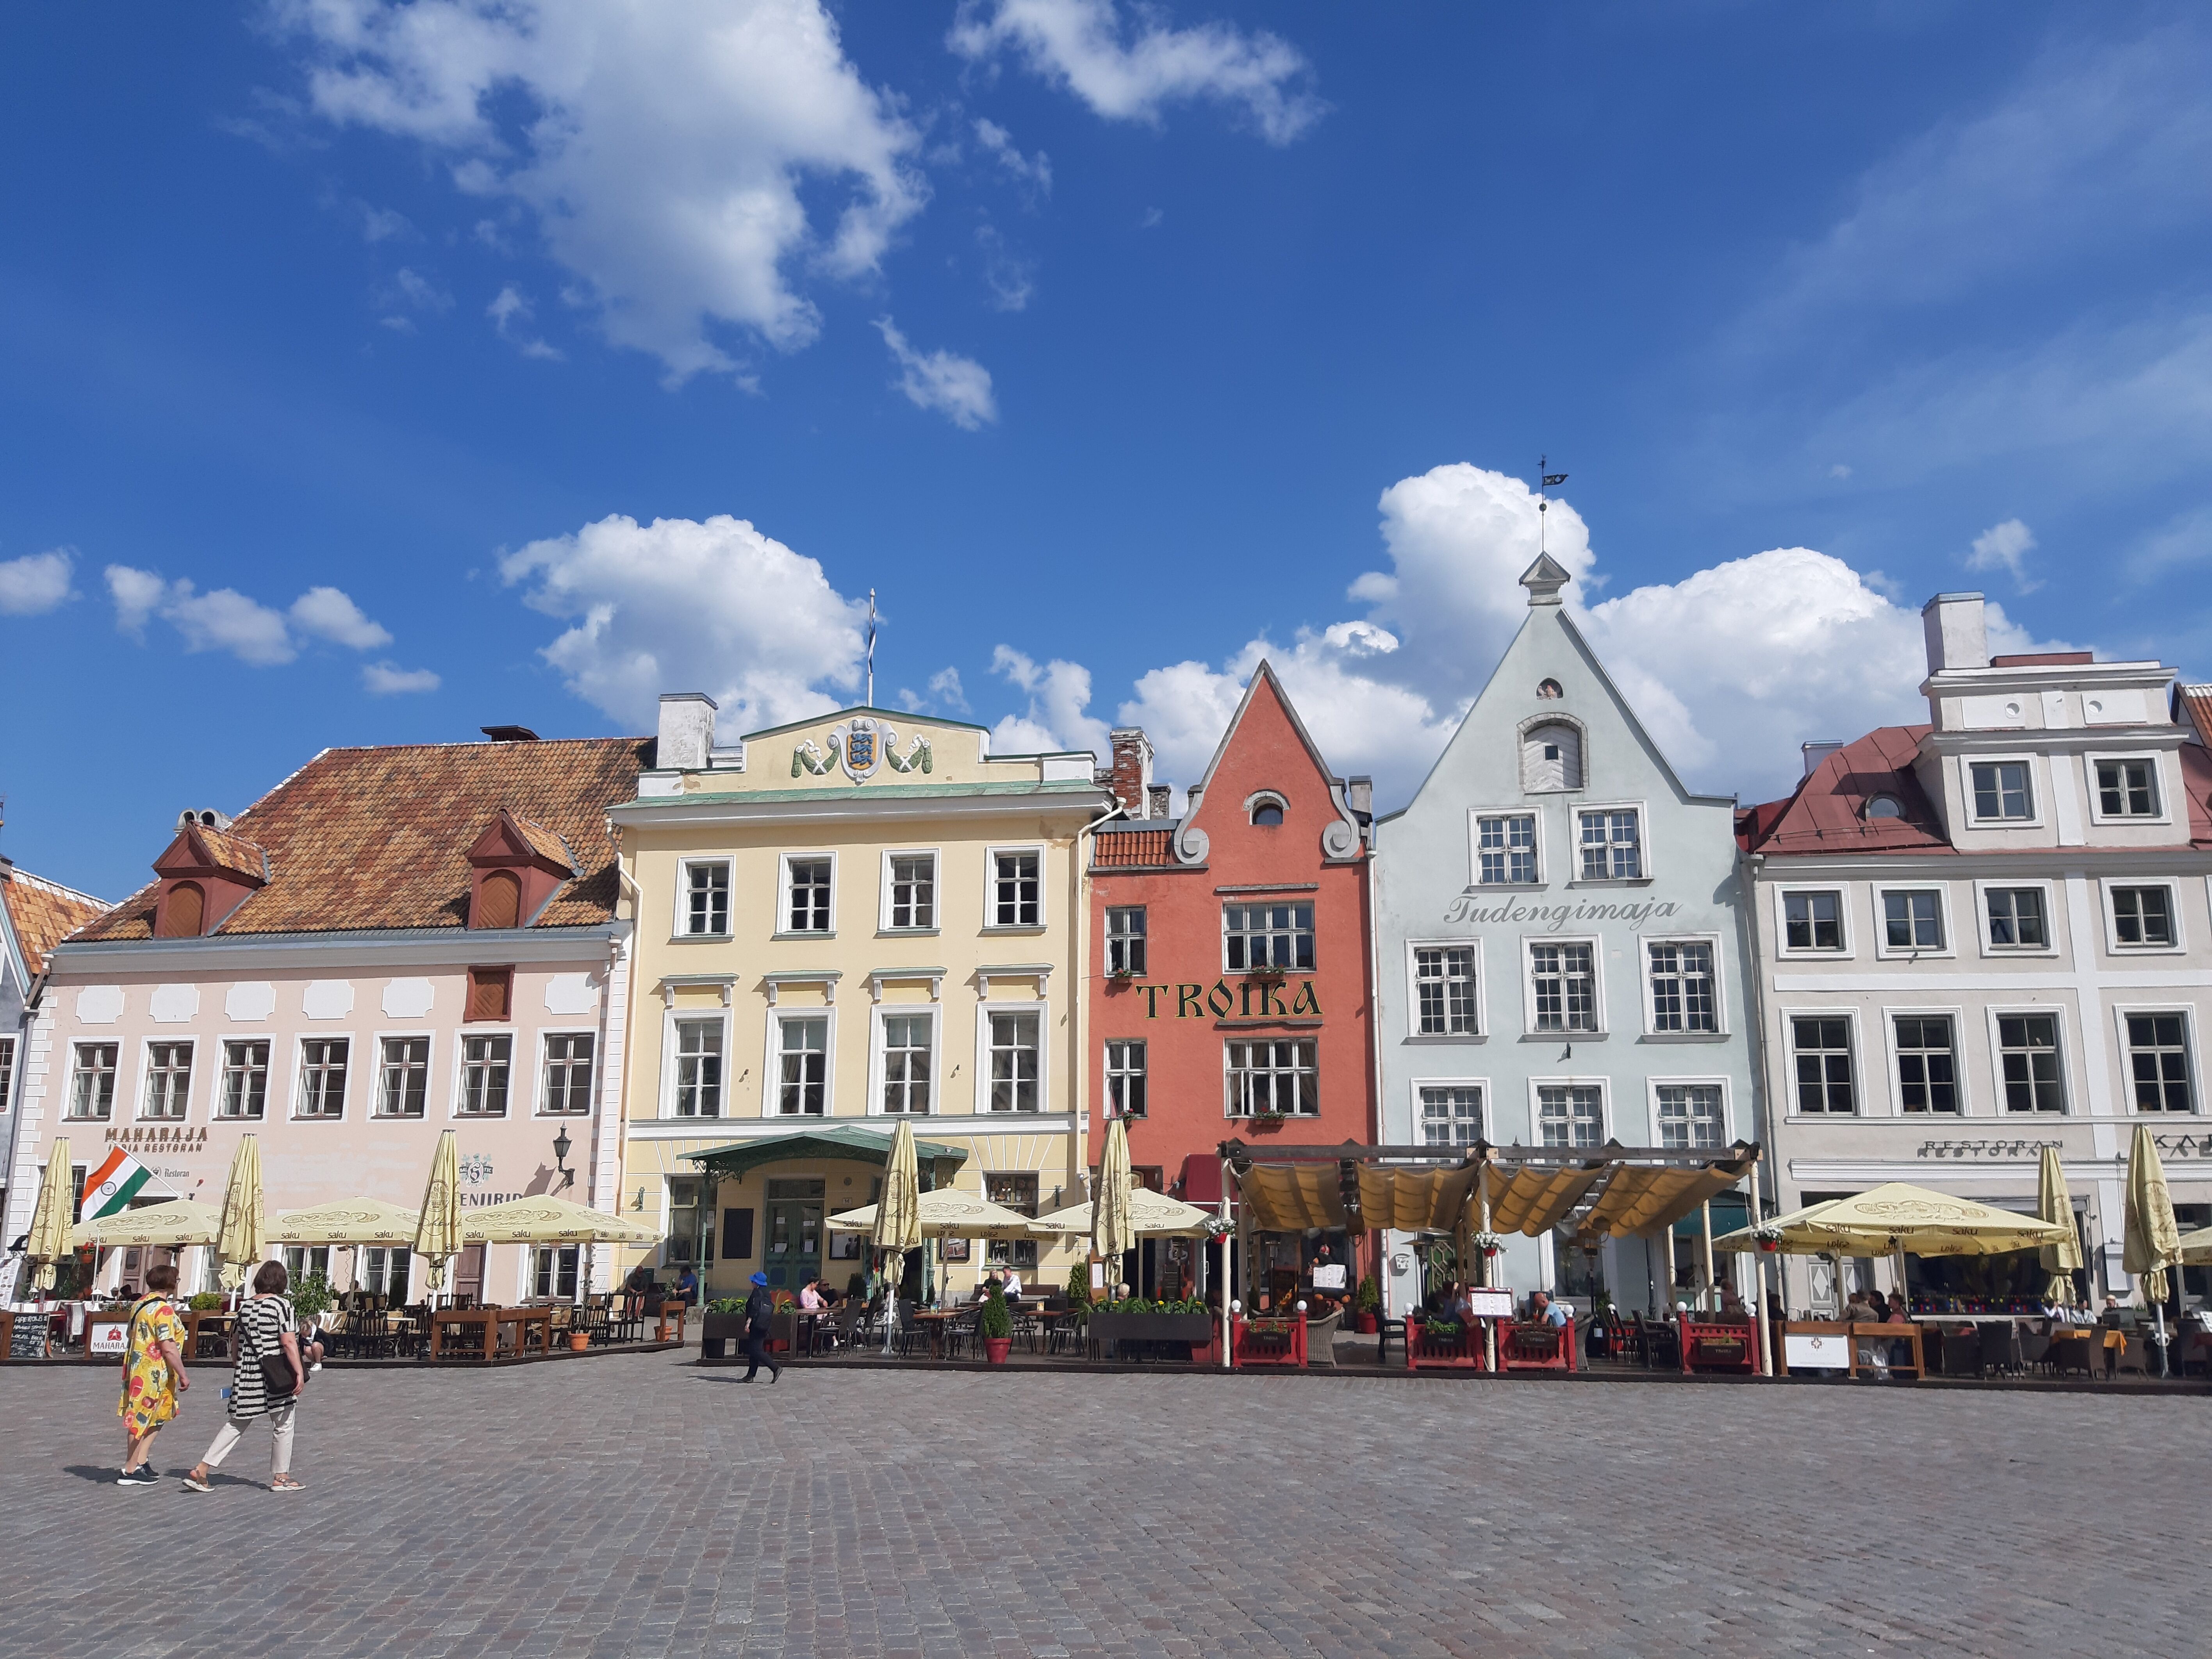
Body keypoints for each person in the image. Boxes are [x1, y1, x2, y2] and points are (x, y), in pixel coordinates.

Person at [184, 1261, 307, 1493]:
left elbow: (235, 1340)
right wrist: (299, 1371)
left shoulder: (246, 1306)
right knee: (283, 1423)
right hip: (275, 1374)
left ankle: (202, 1468)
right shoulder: (282, 1305)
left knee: (237, 1422)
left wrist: (238, 1363)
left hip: (248, 1372)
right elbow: (289, 1342)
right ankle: (281, 1477)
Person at [116, 1263, 190, 1486]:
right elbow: (168, 1346)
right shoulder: (163, 1310)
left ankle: (141, 1460)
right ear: (170, 1284)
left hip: (140, 1366)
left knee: (160, 1414)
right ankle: (130, 1469)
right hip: (152, 1370)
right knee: (140, 1417)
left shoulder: (140, 1304)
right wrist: (183, 1374)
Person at [740, 1271, 782, 1384]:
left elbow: (754, 1308)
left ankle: (775, 1368)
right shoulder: (767, 1293)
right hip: (764, 1324)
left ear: (756, 1282)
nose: (752, 1283)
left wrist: (748, 1322)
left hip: (756, 1324)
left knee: (756, 1350)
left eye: (753, 1281)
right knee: (754, 1349)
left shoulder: (757, 1292)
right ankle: (750, 1375)